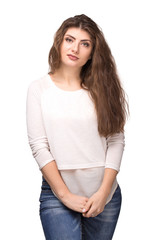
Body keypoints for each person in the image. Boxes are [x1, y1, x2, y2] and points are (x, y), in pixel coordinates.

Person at [26, 14, 128, 240]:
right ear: (59, 42)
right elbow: (39, 146)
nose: (75, 49)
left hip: (104, 196)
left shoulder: (104, 88)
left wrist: (103, 194)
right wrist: (64, 195)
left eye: (85, 44)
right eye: (70, 40)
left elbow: (116, 141)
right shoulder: (39, 89)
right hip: (58, 194)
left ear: (93, 52)